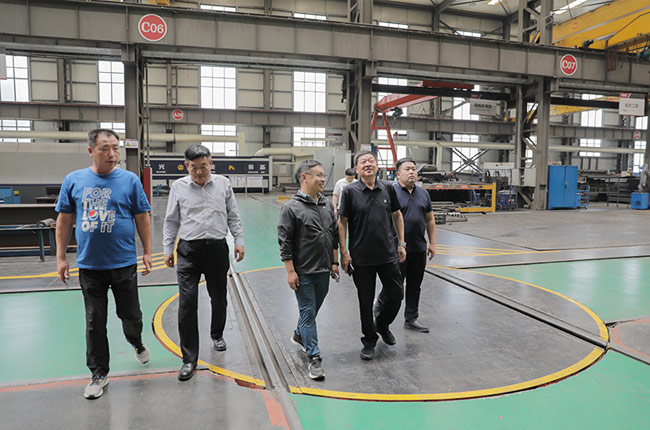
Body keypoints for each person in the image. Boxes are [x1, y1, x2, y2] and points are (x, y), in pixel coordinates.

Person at [55, 128, 153, 400]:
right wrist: (61, 257)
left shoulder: (130, 180)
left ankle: (135, 341)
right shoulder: (73, 180)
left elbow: (142, 216)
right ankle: (98, 374)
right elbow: (64, 220)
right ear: (91, 151)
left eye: (115, 148)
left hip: (123, 263)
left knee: (131, 316)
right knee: (94, 321)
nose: (112, 154)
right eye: (105, 148)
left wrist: (147, 251)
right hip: (90, 266)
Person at [162, 144, 245, 382]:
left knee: (218, 297)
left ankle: (217, 334)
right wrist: (168, 248)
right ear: (186, 166)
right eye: (194, 167)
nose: (199, 172)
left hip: (217, 249)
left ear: (211, 163)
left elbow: (233, 215)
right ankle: (189, 359)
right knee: (187, 303)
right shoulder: (178, 187)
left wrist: (239, 241)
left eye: (203, 166)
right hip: (188, 251)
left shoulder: (223, 184)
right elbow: (171, 221)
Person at [338, 150, 406, 361]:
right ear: (356, 169)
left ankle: (382, 325)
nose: (368, 164)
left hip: (387, 254)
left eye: (371, 161)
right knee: (365, 301)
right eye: (363, 162)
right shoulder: (349, 191)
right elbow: (342, 222)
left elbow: (397, 215)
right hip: (361, 257)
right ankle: (369, 340)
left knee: (396, 293)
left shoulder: (388, 188)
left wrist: (401, 243)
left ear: (377, 166)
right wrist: (344, 252)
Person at [277, 160, 339, 380]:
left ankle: (299, 335)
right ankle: (314, 358)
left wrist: (334, 262)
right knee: (308, 311)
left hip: (324, 269)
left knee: (311, 310)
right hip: (303, 271)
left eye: (323, 175)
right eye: (318, 175)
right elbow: (285, 241)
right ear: (304, 177)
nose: (323, 179)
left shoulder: (327, 205)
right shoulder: (291, 208)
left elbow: (333, 234)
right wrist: (290, 271)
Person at [380, 157, 436, 333]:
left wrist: (432, 243)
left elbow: (430, 219)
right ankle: (380, 316)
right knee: (393, 287)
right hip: (397, 249)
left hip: (419, 248)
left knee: (414, 286)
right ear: (398, 174)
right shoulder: (391, 192)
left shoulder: (423, 193)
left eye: (414, 169)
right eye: (407, 169)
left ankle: (411, 318)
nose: (412, 172)